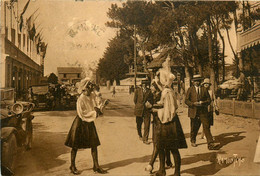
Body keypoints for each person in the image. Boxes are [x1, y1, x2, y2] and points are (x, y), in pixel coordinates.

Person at [65, 77, 108, 175]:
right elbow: (82, 114)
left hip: (89, 122)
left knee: (94, 144)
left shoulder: (92, 95)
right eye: (90, 86)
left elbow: (97, 104)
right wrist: (95, 113)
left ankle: (96, 166)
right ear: (85, 88)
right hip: (81, 122)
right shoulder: (81, 99)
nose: (91, 88)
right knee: (75, 145)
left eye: (91, 86)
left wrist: (102, 106)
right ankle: (72, 166)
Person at [185, 75, 219, 150]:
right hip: (193, 111)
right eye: (195, 81)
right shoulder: (190, 89)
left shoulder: (204, 89)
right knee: (194, 127)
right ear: (193, 82)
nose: (197, 82)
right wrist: (193, 104)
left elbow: (209, 100)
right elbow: (186, 100)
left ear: (200, 82)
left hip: (203, 111)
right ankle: (193, 140)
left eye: (198, 81)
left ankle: (210, 144)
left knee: (206, 127)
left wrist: (203, 102)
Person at [134, 79, 153, 144]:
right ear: (142, 85)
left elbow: (151, 100)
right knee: (139, 123)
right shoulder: (137, 91)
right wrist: (139, 106)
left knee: (147, 124)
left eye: (146, 84)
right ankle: (140, 135)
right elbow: (135, 100)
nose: (144, 85)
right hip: (139, 109)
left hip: (147, 110)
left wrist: (149, 103)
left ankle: (145, 139)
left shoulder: (149, 91)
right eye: (143, 84)